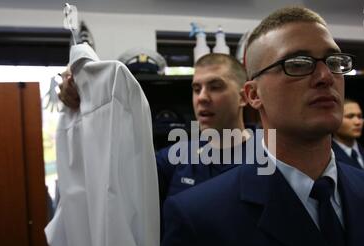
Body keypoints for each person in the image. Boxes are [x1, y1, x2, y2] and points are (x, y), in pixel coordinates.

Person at [159, 6, 364, 246]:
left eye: (335, 62)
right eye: (297, 63)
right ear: (253, 95)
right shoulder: (199, 218)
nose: (325, 76)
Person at [58, 53, 251, 205]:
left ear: (244, 97)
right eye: (196, 88)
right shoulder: (175, 159)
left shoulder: (269, 156)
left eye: (215, 87)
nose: (201, 97)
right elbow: (115, 179)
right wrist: (80, 82)